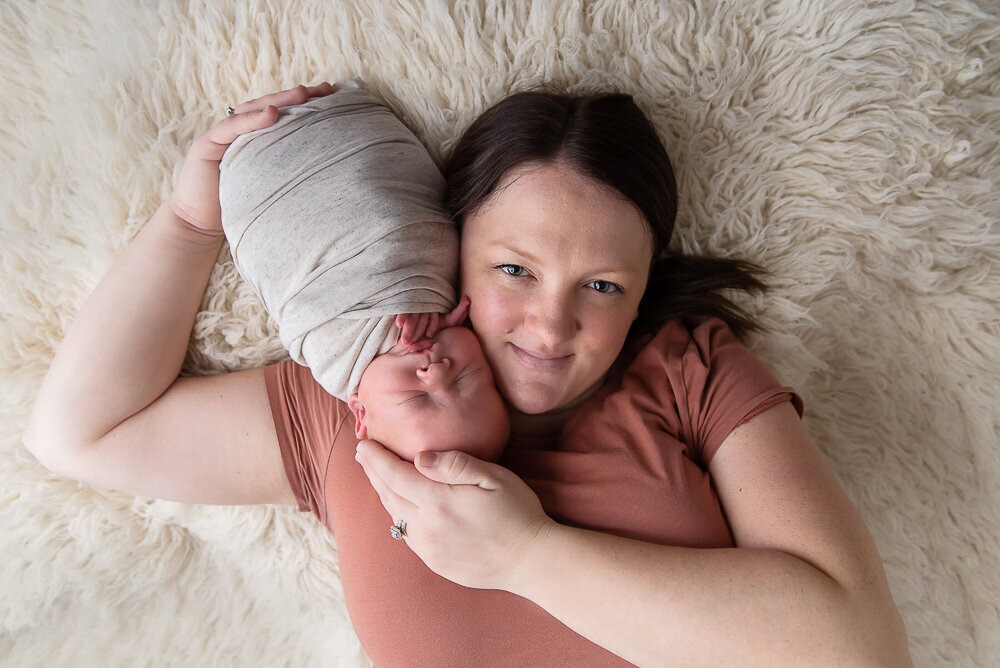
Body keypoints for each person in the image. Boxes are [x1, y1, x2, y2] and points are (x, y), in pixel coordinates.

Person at [23, 83, 911, 665]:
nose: (550, 325)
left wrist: (528, 555)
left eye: (601, 286)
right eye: (514, 270)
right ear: (453, 253)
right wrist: (189, 221)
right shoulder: (359, 405)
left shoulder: (689, 373)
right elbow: (80, 433)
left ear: (641, 294)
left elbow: (859, 649)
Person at [217, 80, 508, 463]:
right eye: (466, 377)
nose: (436, 371)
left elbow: (305, 312)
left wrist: (397, 306)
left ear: (360, 412)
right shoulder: (455, 306)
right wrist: (432, 297)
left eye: (417, 397)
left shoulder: (334, 362)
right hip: (357, 140)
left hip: (263, 178)